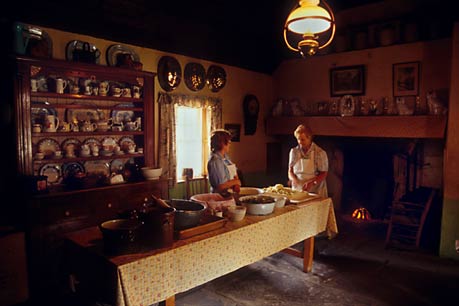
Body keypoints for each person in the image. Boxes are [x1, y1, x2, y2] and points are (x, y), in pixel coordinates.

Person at [288, 124, 328, 197]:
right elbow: (290, 170)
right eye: (298, 139)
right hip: (298, 189)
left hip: (315, 190)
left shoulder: (319, 153)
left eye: (302, 139)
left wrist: (312, 183)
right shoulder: (294, 152)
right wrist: (293, 179)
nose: (300, 142)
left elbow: (324, 173)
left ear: (309, 138)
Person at [207, 129, 241, 196]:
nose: (230, 144)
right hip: (219, 197)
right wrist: (236, 182)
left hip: (229, 194)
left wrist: (236, 184)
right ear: (222, 143)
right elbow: (220, 186)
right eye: (228, 142)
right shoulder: (215, 161)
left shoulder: (226, 157)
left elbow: (235, 174)